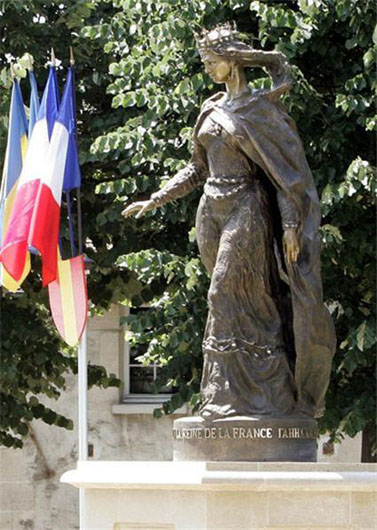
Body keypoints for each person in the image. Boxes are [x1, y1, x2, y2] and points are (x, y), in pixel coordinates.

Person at [122, 23, 336, 420]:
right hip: (211, 209)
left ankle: (259, 395)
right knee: (232, 301)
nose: (206, 68)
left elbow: (285, 177)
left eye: (211, 61)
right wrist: (156, 198)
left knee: (224, 291)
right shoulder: (210, 109)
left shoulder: (260, 110)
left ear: (232, 61)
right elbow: (195, 169)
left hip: (247, 206)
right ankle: (225, 397)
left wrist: (290, 224)